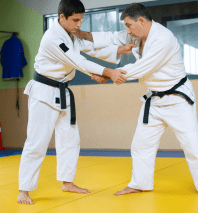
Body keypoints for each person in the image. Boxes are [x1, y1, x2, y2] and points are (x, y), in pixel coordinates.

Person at [76, 3, 198, 199]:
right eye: (125, 26)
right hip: (154, 100)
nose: (126, 31)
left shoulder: (163, 38)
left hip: (177, 99)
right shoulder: (135, 35)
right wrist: (82, 34)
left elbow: (145, 67)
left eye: (129, 25)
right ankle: (140, 183)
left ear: (141, 21)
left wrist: (109, 75)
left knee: (193, 144)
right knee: (141, 144)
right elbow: (109, 37)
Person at [17, 0, 132, 205]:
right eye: (75, 20)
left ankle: (67, 182)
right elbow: (78, 62)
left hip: (63, 92)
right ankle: (23, 190)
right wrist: (108, 72)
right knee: (37, 142)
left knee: (70, 140)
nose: (79, 24)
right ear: (62, 17)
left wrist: (120, 50)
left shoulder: (70, 34)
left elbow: (89, 48)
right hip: (44, 93)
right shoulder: (53, 38)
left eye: (81, 19)